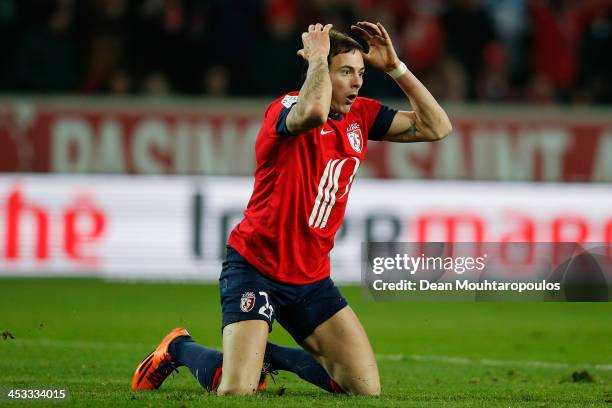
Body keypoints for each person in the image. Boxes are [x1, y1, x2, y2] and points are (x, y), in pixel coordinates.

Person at [131, 21, 452, 396]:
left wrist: (396, 68)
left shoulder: (360, 116)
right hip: (256, 268)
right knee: (237, 390)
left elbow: (437, 127)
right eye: (345, 72)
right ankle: (179, 348)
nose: (356, 82)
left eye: (361, 73)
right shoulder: (286, 109)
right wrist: (317, 58)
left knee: (364, 389)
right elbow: (314, 111)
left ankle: (267, 354)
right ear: (321, 70)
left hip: (311, 280)